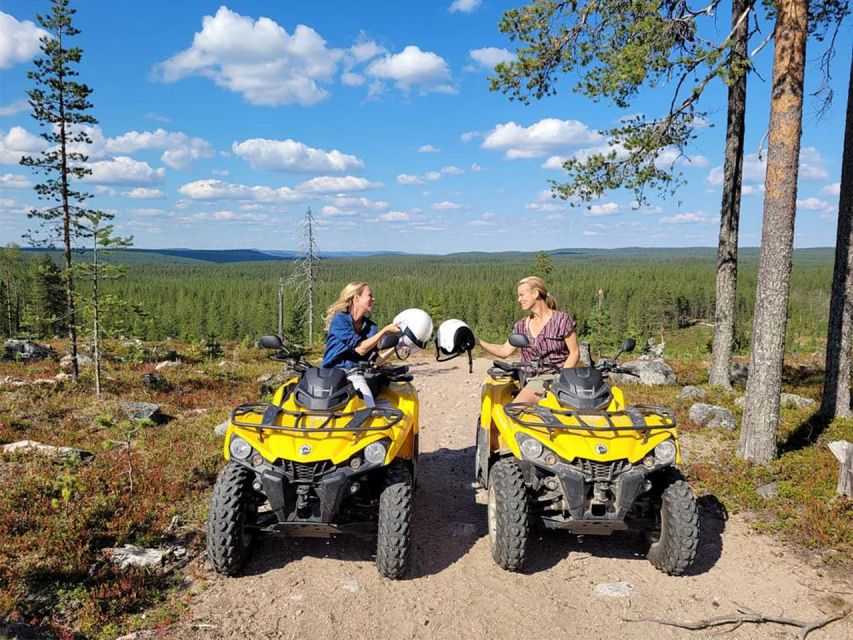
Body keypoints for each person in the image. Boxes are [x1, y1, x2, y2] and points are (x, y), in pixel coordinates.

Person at [478, 276, 579, 404]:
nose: (519, 299)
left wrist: (560, 379)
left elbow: (574, 353)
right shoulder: (521, 326)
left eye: (522, 295)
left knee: (515, 410)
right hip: (531, 379)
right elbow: (504, 351)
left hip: (557, 377)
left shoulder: (562, 320)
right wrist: (477, 342)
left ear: (536, 293)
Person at [321, 282, 400, 407]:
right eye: (369, 295)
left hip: (355, 374)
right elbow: (360, 349)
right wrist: (385, 331)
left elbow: (376, 360)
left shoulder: (370, 327)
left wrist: (397, 347)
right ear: (356, 297)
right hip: (331, 374)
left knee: (369, 408)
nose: (373, 299)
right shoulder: (340, 320)